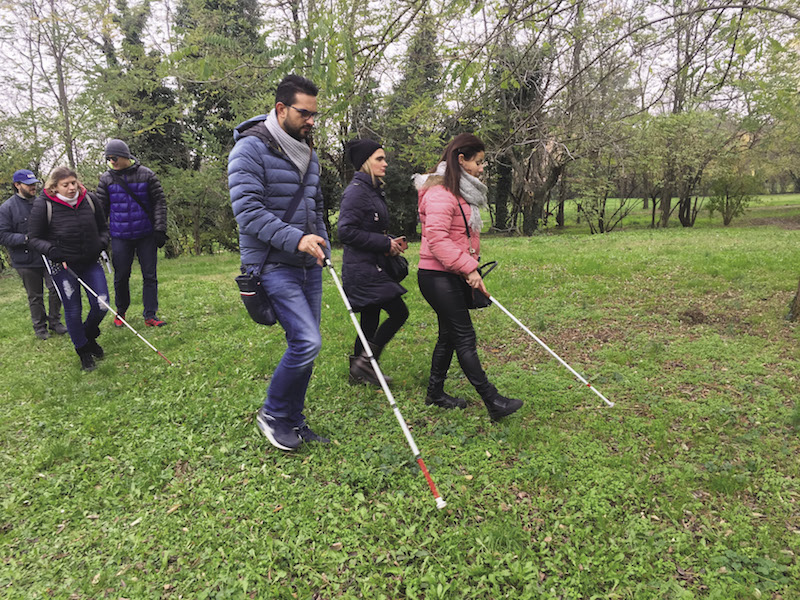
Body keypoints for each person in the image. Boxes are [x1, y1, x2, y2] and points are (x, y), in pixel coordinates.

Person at [228, 74, 331, 451]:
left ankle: (294, 419)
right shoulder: (249, 151)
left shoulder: (309, 153)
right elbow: (248, 213)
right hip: (272, 263)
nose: (311, 121)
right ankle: (272, 413)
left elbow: (315, 207)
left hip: (307, 264)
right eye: (305, 113)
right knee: (307, 342)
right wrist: (298, 239)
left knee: (306, 345)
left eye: (315, 115)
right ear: (281, 108)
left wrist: (323, 242)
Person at [413, 133, 523, 420]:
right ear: (460, 160)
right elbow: (436, 240)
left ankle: (434, 393)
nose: (482, 168)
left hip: (452, 273)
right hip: (437, 277)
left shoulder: (459, 192)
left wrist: (469, 268)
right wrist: (468, 268)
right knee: (464, 337)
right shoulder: (440, 194)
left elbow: (458, 237)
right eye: (478, 162)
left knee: (448, 336)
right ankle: (493, 401)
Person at [338, 139, 409, 386]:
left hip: (372, 264)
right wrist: (383, 244)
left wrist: (390, 242)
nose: (385, 163)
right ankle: (367, 364)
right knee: (400, 312)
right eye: (379, 158)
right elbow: (345, 231)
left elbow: (369, 228)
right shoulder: (357, 192)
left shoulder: (372, 190)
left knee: (370, 317)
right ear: (365, 162)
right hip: (362, 269)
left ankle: (357, 372)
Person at [27, 167, 111, 371]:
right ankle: (83, 351)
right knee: (73, 309)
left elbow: (103, 227)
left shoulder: (90, 199)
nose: (71, 188)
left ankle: (88, 335)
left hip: (91, 261)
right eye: (66, 185)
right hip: (63, 266)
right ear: (55, 187)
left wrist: (101, 243)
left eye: (73, 183)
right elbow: (34, 238)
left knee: (102, 303)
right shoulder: (43, 205)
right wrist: (52, 251)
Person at [95, 139, 168, 328]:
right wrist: (100, 236)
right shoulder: (106, 179)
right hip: (120, 236)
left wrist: (160, 228)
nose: (112, 161)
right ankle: (121, 311)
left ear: (125, 156)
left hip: (146, 234)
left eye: (114, 158)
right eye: (108, 158)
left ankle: (150, 314)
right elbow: (101, 210)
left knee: (149, 276)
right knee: (121, 276)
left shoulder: (147, 175)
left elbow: (159, 202)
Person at [0, 170, 67, 340]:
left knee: (56, 289)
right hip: (25, 260)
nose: (33, 187)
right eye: (28, 184)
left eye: (34, 183)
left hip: (47, 255)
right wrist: (25, 238)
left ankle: (55, 321)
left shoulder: (42, 203)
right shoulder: (7, 208)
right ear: (17, 185)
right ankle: (40, 327)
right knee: (35, 295)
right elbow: (3, 235)